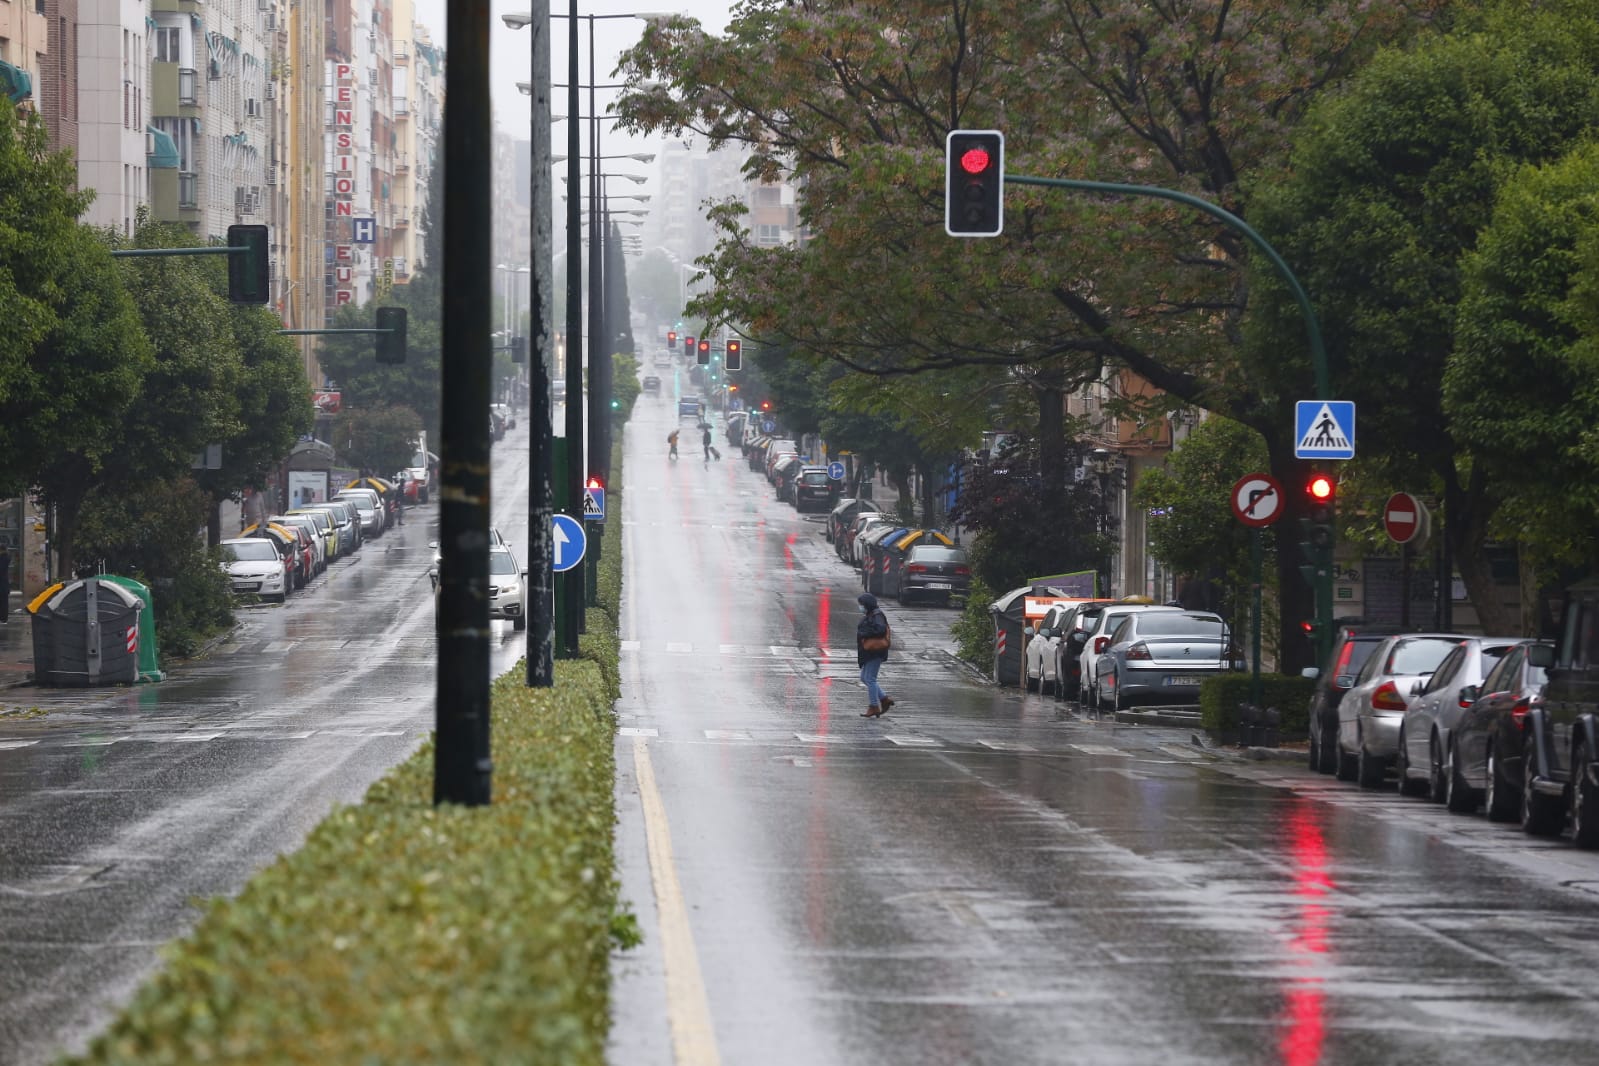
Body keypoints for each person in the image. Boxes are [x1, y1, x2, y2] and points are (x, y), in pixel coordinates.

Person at [856, 592, 894, 717]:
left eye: (861, 604)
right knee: (864, 678)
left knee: (870, 679)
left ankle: (874, 706)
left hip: (875, 651)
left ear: (867, 605)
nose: (860, 607)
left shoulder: (877, 615)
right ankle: (884, 699)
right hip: (869, 651)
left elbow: (880, 629)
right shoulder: (871, 614)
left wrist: (864, 633)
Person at [0, 545, 10, 624]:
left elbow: (1, 570)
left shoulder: (3, 558)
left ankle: (3, 619)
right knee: (3, 602)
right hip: (3, 584)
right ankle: (3, 618)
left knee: (3, 602)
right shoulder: (5, 557)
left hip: (2, 585)